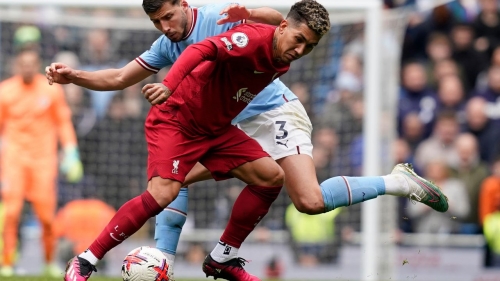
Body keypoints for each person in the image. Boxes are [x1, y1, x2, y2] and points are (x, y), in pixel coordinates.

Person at [45, 0, 449, 280]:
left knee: (306, 199)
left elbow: (275, 24)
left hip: (270, 113)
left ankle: (397, 181)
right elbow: (118, 78)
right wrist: (74, 76)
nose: (167, 27)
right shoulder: (168, 42)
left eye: (169, 16)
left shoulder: (223, 19)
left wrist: (251, 13)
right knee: (171, 185)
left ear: (184, 4)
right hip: (214, 117)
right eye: (158, 22)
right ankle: (159, 260)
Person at [0, 49, 83, 277]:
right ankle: (7, 263)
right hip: (14, 161)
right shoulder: (5, 91)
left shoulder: (52, 91)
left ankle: (49, 261)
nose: (27, 67)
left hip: (43, 162)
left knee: (46, 218)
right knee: (11, 213)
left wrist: (71, 151)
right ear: (17, 65)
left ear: (37, 65)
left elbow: (63, 122)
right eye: (23, 63)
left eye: (31, 63)